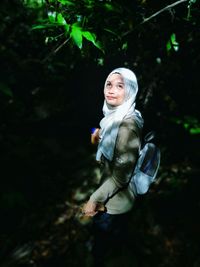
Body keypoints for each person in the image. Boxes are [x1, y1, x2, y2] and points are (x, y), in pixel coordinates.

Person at [83, 67, 144, 266]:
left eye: (120, 86)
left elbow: (121, 177)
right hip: (115, 195)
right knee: (114, 236)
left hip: (114, 202)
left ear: (131, 91)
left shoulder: (127, 127)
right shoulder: (118, 116)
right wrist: (96, 133)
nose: (111, 90)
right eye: (109, 84)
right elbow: (108, 137)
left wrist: (94, 199)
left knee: (102, 242)